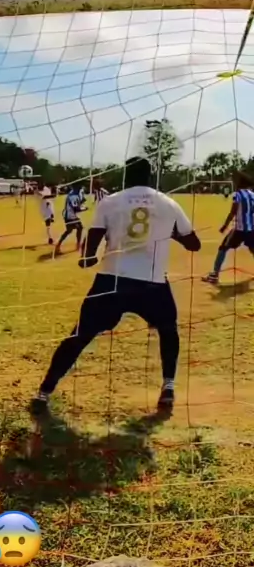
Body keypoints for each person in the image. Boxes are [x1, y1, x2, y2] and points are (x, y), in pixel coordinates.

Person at [31, 157, 201, 417]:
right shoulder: (168, 203)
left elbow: (96, 232)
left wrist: (88, 256)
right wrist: (171, 233)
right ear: (151, 176)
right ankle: (168, 386)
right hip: (152, 282)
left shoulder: (111, 201)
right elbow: (194, 244)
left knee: (80, 335)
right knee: (168, 330)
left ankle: (45, 390)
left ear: (125, 175)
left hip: (112, 279)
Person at [202, 171, 254, 285]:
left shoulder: (237, 194)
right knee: (253, 249)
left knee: (223, 248)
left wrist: (225, 226)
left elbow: (233, 212)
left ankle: (214, 275)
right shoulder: (252, 194)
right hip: (251, 229)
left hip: (239, 230)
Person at [54, 185, 86, 256]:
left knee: (79, 228)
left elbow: (79, 202)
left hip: (72, 216)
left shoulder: (76, 193)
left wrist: (82, 201)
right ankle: (58, 245)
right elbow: (76, 209)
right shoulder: (72, 196)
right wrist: (84, 208)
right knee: (70, 230)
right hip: (69, 216)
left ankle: (77, 244)